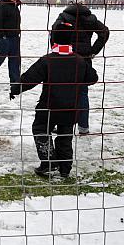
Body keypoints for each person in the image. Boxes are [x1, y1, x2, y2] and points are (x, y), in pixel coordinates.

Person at [10, 21, 98, 179]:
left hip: (49, 106)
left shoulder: (47, 60)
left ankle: (49, 162)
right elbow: (93, 77)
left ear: (53, 40)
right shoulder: (79, 60)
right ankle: (65, 168)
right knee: (65, 136)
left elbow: (30, 78)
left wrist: (16, 89)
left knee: (40, 129)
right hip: (71, 107)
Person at [52, 0, 109, 135]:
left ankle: (60, 124)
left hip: (66, 57)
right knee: (83, 92)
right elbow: (105, 32)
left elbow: (54, 33)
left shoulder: (64, 16)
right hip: (84, 58)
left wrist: (56, 50)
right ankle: (83, 127)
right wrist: (93, 50)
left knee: (63, 91)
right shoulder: (90, 17)